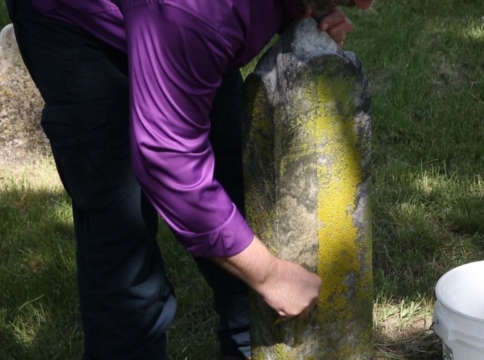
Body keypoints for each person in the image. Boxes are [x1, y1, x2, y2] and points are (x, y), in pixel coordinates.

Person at [5, 0, 372, 359]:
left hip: (177, 28)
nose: (366, 5)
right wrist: (270, 275)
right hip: (78, 22)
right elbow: (168, 162)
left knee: (231, 172)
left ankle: (251, 340)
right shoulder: (197, 13)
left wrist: (303, 8)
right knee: (120, 227)